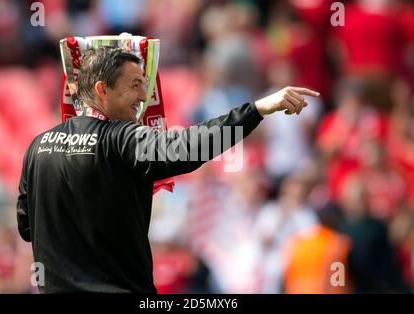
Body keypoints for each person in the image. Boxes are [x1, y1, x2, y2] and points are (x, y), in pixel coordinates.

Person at [16, 47, 319, 293]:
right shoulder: (121, 139)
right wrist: (256, 111)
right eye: (135, 85)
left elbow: (27, 227)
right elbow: (189, 147)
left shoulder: (38, 147)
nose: (143, 97)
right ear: (101, 89)